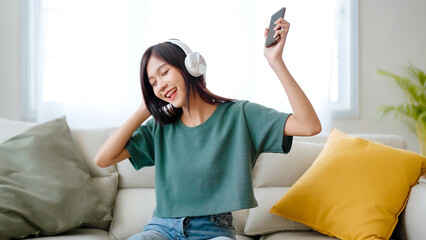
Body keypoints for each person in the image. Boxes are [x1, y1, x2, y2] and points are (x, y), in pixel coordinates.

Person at [95, 17, 321, 240]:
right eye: (153, 83)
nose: (161, 85)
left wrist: (275, 61)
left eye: (164, 73)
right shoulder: (159, 128)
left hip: (212, 230)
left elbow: (309, 125)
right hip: (161, 228)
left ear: (190, 67)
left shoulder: (240, 115)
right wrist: (144, 109)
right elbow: (103, 159)